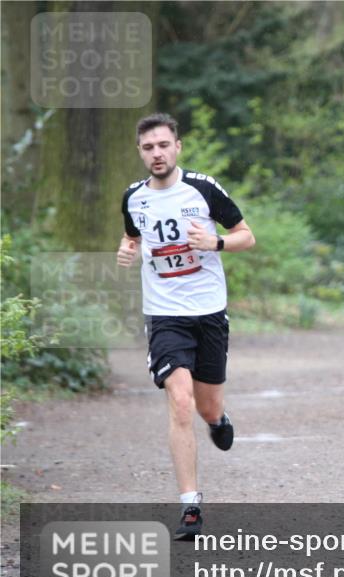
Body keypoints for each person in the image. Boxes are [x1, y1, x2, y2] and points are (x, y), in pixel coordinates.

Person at [115, 112, 255, 539]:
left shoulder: (203, 188)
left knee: (205, 405)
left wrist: (215, 242)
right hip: (164, 315)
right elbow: (132, 238)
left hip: (209, 311)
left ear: (177, 146)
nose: (156, 153)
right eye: (147, 147)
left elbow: (246, 235)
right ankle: (190, 506)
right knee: (179, 399)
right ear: (140, 153)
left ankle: (216, 420)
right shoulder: (133, 198)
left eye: (162, 145)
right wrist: (126, 250)